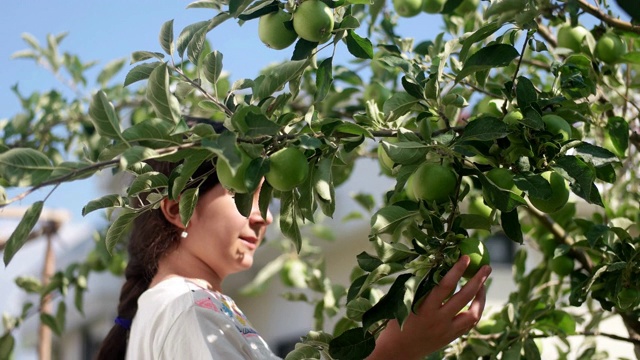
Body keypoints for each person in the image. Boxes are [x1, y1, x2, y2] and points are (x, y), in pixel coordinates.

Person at [96, 120, 491, 360]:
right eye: (242, 195)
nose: (264, 215)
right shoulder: (185, 309)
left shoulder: (205, 307)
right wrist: (394, 352)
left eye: (265, 197)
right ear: (178, 209)